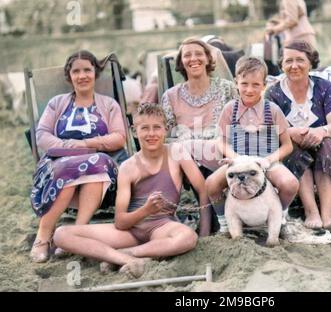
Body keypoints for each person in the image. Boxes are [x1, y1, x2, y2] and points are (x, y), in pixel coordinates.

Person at [53, 103, 210, 278]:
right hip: (130, 231)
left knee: (188, 237)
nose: (151, 134)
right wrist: (146, 210)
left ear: (166, 129)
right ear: (135, 131)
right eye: (144, 128)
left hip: (162, 227)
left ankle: (128, 255)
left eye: (157, 127)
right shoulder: (128, 167)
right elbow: (120, 222)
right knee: (61, 234)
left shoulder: (176, 152)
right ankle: (125, 258)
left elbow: (202, 190)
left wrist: (204, 234)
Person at [29, 50, 127, 263]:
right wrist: (66, 147)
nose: (82, 75)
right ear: (69, 76)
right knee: (69, 167)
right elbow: (42, 135)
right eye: (76, 71)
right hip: (58, 162)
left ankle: (76, 232)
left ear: (95, 73)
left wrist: (85, 144)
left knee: (97, 163)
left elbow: (120, 137)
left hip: (99, 163)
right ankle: (43, 236)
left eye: (87, 70)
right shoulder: (57, 103)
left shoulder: (109, 104)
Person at [205, 56, 299, 234]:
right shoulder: (229, 109)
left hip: (267, 161)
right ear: (236, 83)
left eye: (256, 85)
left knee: (290, 184)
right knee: (211, 184)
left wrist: (268, 160)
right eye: (244, 83)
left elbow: (287, 146)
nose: (249, 89)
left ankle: (280, 216)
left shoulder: (272, 110)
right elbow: (221, 141)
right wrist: (234, 158)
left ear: (264, 85)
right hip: (238, 161)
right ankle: (225, 222)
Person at [265, 40, 331, 232]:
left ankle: (328, 215)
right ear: (282, 65)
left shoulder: (324, 87)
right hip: (291, 148)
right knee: (295, 150)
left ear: (311, 62)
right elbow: (268, 129)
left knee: (326, 147)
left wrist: (321, 132)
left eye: (300, 60)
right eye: (288, 61)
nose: (294, 66)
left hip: (326, 147)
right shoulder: (274, 93)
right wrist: (289, 132)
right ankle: (312, 212)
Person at [161, 37, 237, 141]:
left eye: (199, 54)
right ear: (181, 62)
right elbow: (165, 138)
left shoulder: (227, 88)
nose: (193, 58)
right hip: (183, 155)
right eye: (187, 55)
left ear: (208, 59)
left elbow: (238, 128)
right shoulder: (170, 97)